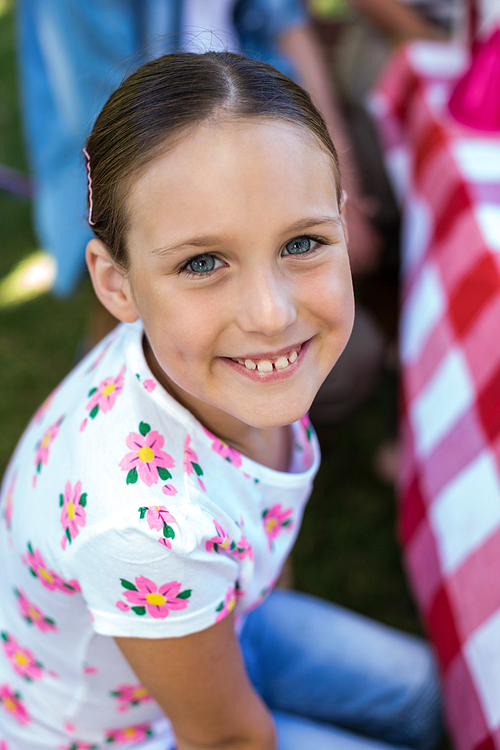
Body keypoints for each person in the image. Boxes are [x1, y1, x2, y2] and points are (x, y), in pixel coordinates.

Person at [0, 52, 441, 750]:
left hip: (220, 618)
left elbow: (257, 515)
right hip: (137, 730)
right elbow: (227, 738)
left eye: (301, 242)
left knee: (423, 692)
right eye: (203, 263)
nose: (271, 314)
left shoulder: (223, 366)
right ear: (118, 285)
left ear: (341, 221)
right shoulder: (146, 530)